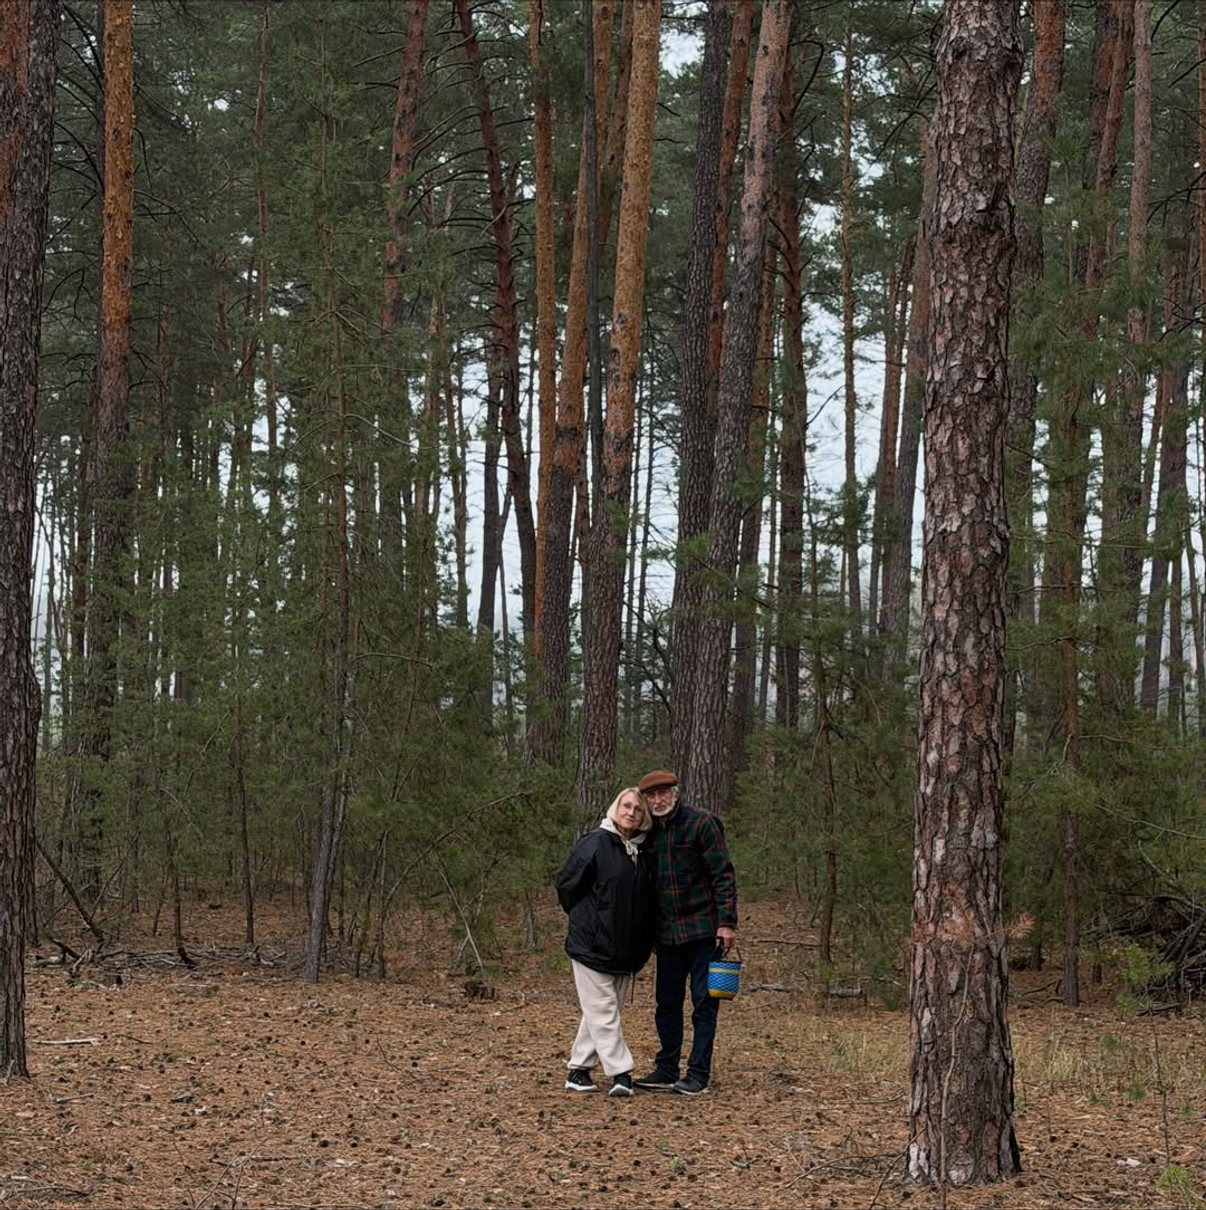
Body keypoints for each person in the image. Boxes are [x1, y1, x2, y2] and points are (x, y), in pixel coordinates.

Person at [633, 769, 737, 1096]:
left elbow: (723, 874)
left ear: (675, 793)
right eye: (651, 796)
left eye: (663, 794)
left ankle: (698, 1073)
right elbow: (647, 887)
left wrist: (726, 923)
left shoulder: (702, 823)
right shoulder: (648, 833)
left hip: (705, 930)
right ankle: (666, 1069)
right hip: (667, 935)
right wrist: (649, 932)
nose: (658, 801)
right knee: (666, 1003)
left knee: (704, 1003)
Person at [556, 787, 657, 1096]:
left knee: (600, 1011)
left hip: (626, 950)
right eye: (626, 806)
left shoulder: (643, 851)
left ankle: (578, 1070)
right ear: (616, 808)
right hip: (591, 944)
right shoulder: (595, 843)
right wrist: (590, 920)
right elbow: (567, 886)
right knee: (603, 1009)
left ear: (644, 817)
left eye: (638, 809)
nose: (631, 812)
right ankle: (621, 1072)